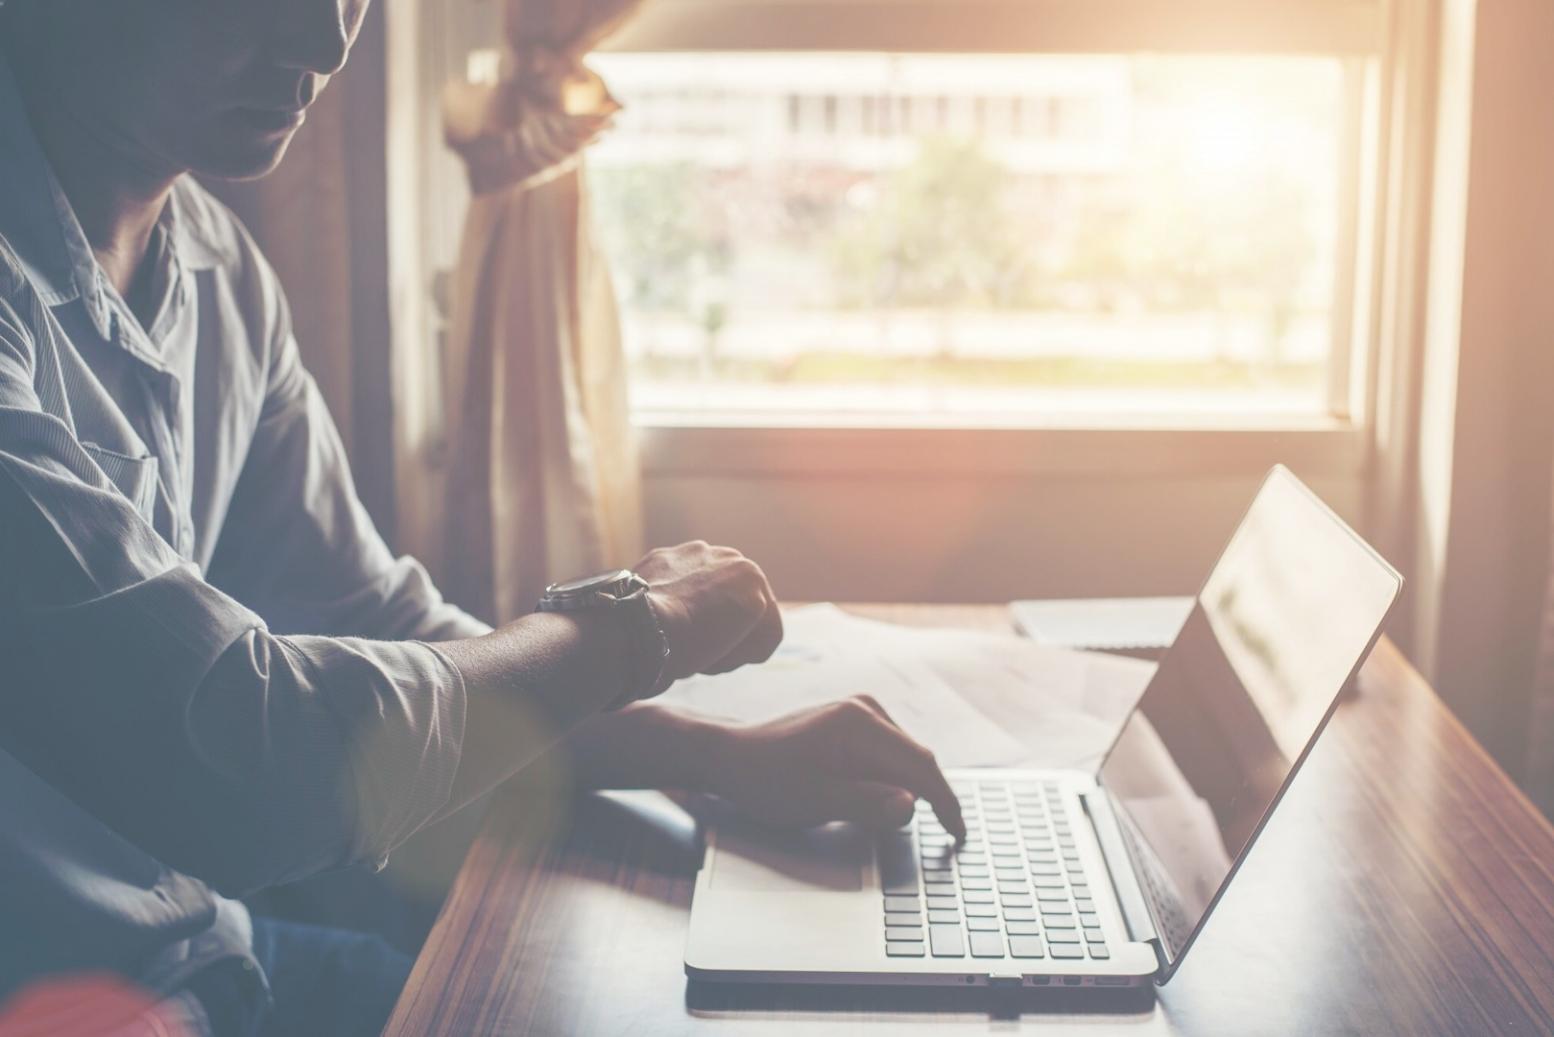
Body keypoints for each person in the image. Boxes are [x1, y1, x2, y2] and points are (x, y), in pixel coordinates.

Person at [0, 1, 966, 1034]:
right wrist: (637, 625)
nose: (327, 43)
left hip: (207, 957)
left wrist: (708, 756)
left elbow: (373, 617)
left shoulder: (214, 263)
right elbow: (251, 766)